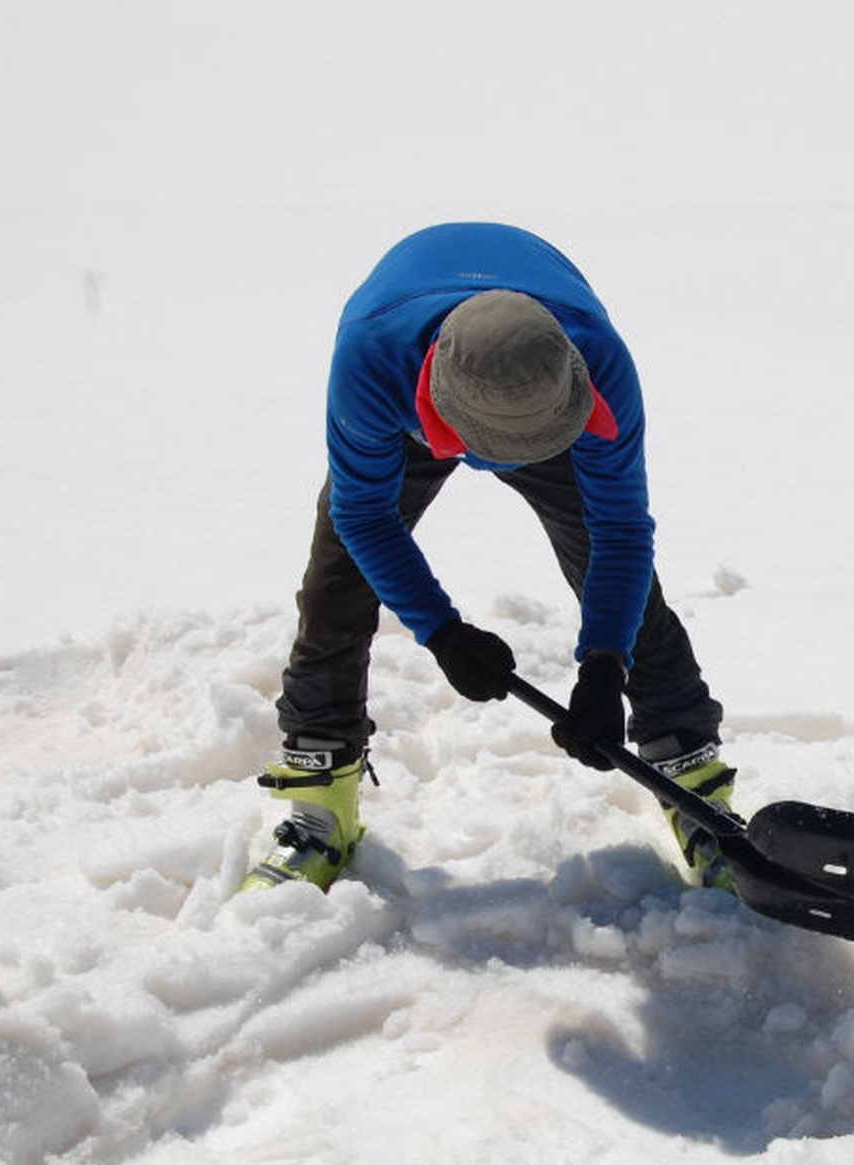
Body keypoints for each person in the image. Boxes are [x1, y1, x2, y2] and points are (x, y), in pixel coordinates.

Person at [243, 223, 732, 894]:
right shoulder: (371, 361)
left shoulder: (597, 360)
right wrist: (442, 631)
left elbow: (620, 532)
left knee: (623, 588)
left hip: (547, 391)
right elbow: (364, 517)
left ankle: (694, 783)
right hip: (409, 391)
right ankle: (319, 802)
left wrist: (605, 662)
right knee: (337, 584)